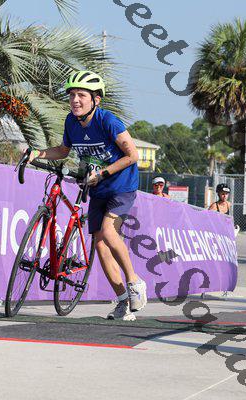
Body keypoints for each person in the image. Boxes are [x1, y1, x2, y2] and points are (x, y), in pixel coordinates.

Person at [27, 70, 146, 321]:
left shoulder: (108, 121)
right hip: (97, 189)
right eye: (72, 95)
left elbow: (133, 155)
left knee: (109, 232)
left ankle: (135, 282)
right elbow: (63, 150)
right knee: (100, 244)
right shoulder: (71, 122)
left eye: (81, 95)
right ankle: (122, 301)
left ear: (96, 100)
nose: (75, 100)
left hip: (121, 186)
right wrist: (37, 154)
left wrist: (102, 173)